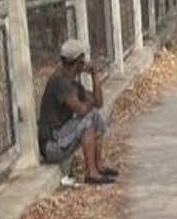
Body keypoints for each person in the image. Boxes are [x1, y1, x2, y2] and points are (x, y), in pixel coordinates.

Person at [38, 39, 118, 185]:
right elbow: (82, 110)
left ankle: (98, 166)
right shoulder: (60, 82)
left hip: (61, 138)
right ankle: (91, 173)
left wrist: (95, 75)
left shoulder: (71, 81)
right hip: (52, 145)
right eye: (83, 59)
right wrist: (88, 104)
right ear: (79, 62)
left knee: (94, 116)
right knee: (87, 120)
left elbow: (98, 103)